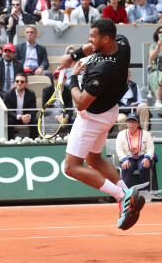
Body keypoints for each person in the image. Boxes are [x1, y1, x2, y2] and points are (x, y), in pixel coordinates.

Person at [58, 18, 146, 231]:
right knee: (94, 158)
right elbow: (90, 48)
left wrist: (73, 77)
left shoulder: (103, 70)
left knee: (70, 167)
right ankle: (128, 194)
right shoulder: (122, 43)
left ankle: (122, 196)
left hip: (92, 118)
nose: (89, 40)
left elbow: (80, 103)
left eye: (93, 36)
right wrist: (73, 56)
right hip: (109, 112)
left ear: (106, 39)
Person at [116, 113, 154, 191]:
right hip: (128, 158)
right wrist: (124, 159)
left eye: (133, 122)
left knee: (144, 166)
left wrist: (147, 158)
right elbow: (119, 149)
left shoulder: (146, 134)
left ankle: (145, 192)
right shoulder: (121, 134)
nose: (131, 124)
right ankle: (127, 193)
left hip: (142, 157)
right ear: (127, 123)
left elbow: (150, 148)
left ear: (138, 124)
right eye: (129, 122)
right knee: (126, 167)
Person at [4, 72, 39, 140]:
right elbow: (8, 110)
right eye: (17, 81)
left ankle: (33, 142)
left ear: (26, 84)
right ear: (14, 83)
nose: (19, 83)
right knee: (8, 121)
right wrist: (20, 117)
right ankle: (11, 142)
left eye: (22, 82)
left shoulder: (31, 94)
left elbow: (34, 109)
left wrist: (28, 116)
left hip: (26, 117)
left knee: (35, 121)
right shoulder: (8, 94)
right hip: (14, 117)